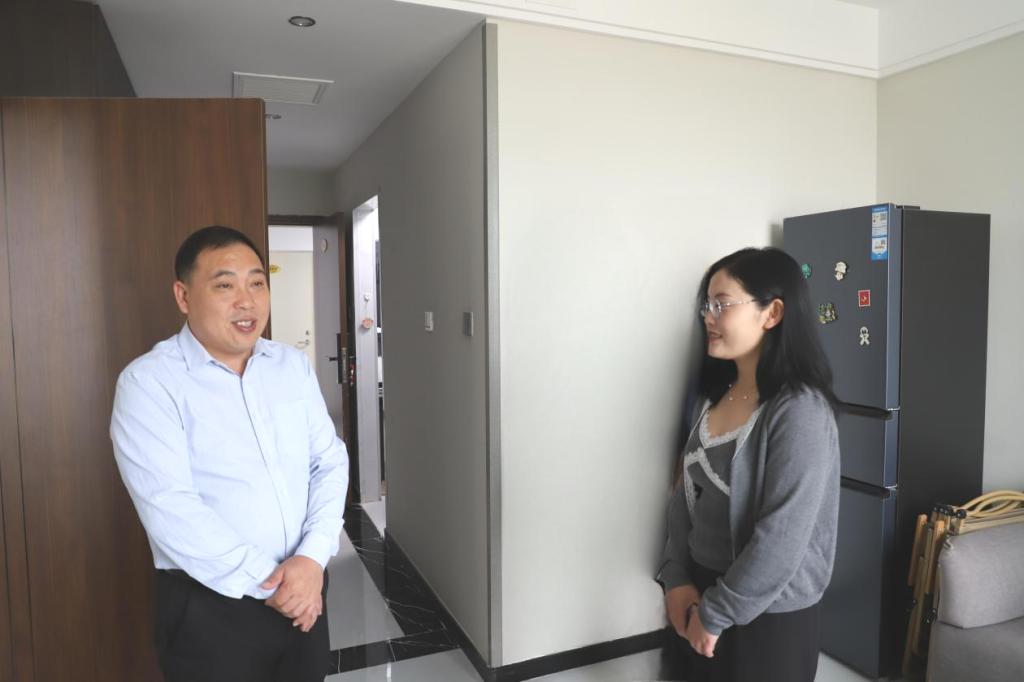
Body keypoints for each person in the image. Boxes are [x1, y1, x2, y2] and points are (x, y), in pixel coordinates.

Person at [110, 225, 348, 682]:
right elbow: (170, 507)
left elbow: (328, 462)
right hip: (212, 610)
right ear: (183, 296)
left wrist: (311, 560)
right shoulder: (149, 383)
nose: (247, 301)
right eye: (225, 286)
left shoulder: (291, 366)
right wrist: (277, 583)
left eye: (257, 283)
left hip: (306, 591)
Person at [657, 246, 840, 682]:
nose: (708, 316)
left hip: (768, 617)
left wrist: (716, 613)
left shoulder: (800, 410)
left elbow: (782, 537)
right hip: (701, 596)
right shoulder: (715, 397)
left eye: (722, 304)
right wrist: (676, 576)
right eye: (706, 305)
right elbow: (685, 495)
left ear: (771, 313)